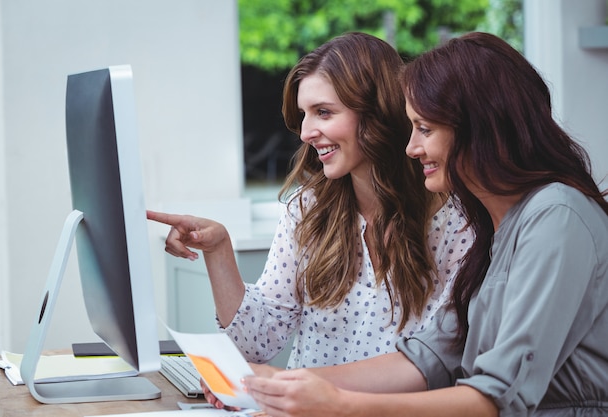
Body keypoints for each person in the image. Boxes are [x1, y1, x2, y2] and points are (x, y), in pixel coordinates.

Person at [240, 32, 608, 417]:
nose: (411, 147)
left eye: (425, 130)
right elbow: (427, 358)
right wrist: (273, 384)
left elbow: (499, 397)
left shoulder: (556, 216)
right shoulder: (496, 227)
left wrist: (340, 406)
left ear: (479, 128)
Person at [147, 32, 472, 370]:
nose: (305, 132)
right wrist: (218, 250)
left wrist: (303, 388)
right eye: (304, 114)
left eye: (324, 112)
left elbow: (439, 364)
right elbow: (255, 344)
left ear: (378, 113)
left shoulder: (455, 223)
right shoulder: (307, 210)